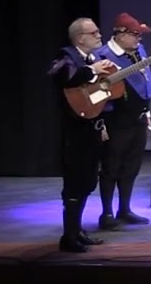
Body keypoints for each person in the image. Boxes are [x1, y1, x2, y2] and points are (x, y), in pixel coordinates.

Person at [48, 17, 116, 252]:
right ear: (80, 38)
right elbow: (61, 76)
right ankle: (68, 236)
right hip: (74, 132)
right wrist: (90, 70)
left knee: (88, 180)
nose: (99, 35)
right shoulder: (65, 55)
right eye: (94, 33)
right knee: (76, 181)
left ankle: (77, 231)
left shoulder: (94, 58)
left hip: (92, 128)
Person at [93, 12, 151, 231]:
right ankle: (107, 212)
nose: (139, 39)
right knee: (111, 166)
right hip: (115, 119)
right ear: (120, 34)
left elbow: (146, 81)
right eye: (135, 34)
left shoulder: (139, 51)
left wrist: (147, 113)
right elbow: (95, 92)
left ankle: (125, 209)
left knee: (131, 165)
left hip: (137, 118)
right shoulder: (103, 55)